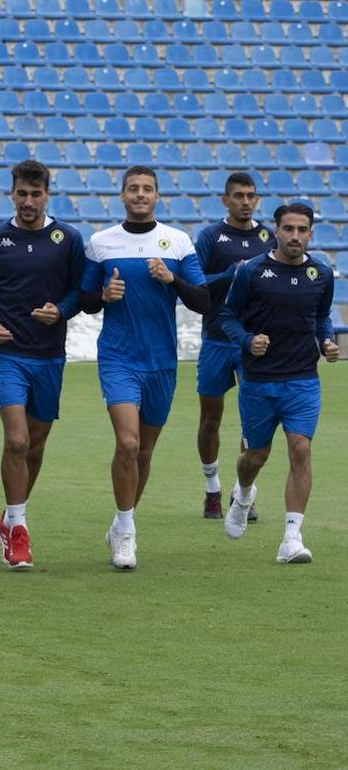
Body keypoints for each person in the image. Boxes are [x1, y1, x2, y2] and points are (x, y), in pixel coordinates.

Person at [80, 166, 209, 570]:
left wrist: (171, 279)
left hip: (162, 363)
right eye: (133, 189)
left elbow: (204, 300)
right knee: (129, 443)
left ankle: (120, 524)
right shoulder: (102, 242)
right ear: (122, 195)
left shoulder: (178, 241)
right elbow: (85, 300)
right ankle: (128, 533)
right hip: (119, 357)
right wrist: (104, 294)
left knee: (146, 451)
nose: (140, 194)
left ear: (157, 196)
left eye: (147, 189)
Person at [0, 160, 86, 570]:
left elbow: (78, 290)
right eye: (22, 193)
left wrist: (63, 310)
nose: (29, 201)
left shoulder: (67, 239)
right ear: (12, 193)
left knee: (35, 445)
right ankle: (18, 529)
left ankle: (8, 516)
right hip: (7, 355)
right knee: (17, 440)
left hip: (49, 355)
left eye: (36, 194)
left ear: (47, 194)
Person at [217, 203, 338, 563]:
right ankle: (243, 492)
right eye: (289, 229)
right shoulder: (252, 272)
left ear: (311, 234)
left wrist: (327, 342)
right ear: (276, 231)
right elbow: (227, 317)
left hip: (303, 380)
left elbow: (321, 318)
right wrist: (247, 340)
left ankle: (291, 538)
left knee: (300, 449)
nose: (295, 236)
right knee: (255, 456)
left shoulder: (322, 273)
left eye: (302, 230)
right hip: (259, 381)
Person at [192, 173, 273, 520]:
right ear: (225, 200)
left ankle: (244, 496)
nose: (245, 201)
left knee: (250, 421)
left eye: (250, 195)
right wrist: (230, 274)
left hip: (250, 342)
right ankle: (212, 488)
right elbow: (194, 281)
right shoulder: (212, 236)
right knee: (210, 418)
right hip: (215, 338)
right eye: (238, 195)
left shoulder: (269, 237)